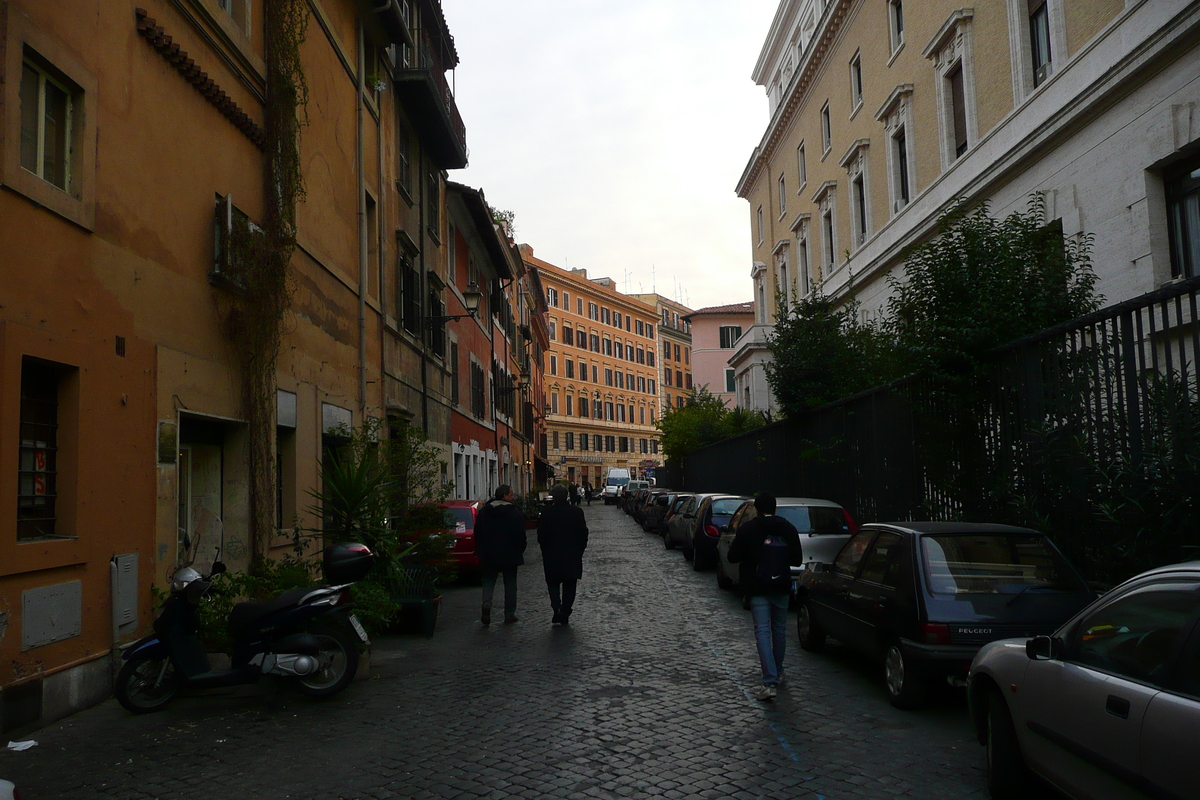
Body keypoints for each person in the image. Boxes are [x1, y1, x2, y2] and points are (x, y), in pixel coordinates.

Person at [727, 492, 802, 701]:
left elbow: (732, 557)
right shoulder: (788, 528)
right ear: (775, 508)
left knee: (762, 632)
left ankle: (769, 681)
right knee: (779, 630)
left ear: (757, 509)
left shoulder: (748, 529)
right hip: (781, 585)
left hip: (757, 587)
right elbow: (797, 559)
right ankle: (778, 671)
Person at [474, 484, 527, 625]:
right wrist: (520, 549)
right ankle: (509, 614)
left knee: (488, 581)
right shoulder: (514, 512)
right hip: (510, 554)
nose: (513, 497)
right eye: (511, 494)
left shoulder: (485, 512)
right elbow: (520, 534)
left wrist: (481, 549)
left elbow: (478, 532)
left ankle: (486, 604)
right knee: (510, 584)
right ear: (504, 496)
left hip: (489, 553)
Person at [537, 483, 589, 625]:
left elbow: (541, 535)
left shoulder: (547, 513)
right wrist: (580, 550)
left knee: (553, 583)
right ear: (567, 495)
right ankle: (565, 611)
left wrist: (545, 550)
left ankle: (556, 608)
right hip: (572, 554)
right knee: (570, 584)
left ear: (553, 497)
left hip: (552, 555)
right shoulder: (577, 512)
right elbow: (583, 534)